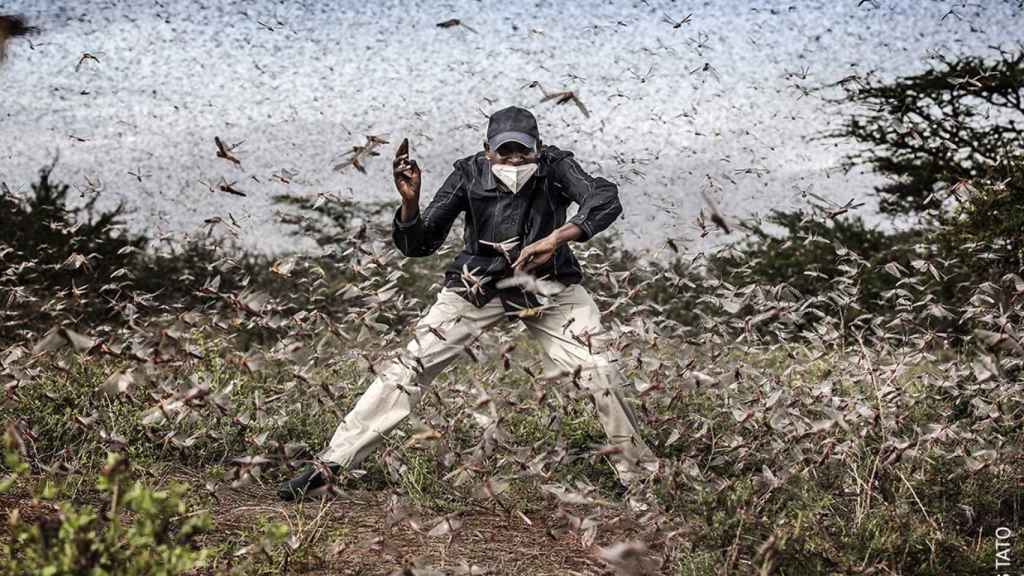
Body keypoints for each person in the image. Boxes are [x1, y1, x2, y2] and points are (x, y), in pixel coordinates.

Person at [278, 105, 658, 501]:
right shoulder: (467, 173)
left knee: (600, 369)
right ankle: (330, 466)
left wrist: (556, 239)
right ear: (487, 150)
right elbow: (420, 244)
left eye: (522, 152)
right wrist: (410, 204)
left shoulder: (556, 166)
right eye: (504, 152)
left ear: (538, 148)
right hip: (478, 285)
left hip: (549, 283)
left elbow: (604, 197)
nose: (513, 161)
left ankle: (641, 484)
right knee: (409, 366)